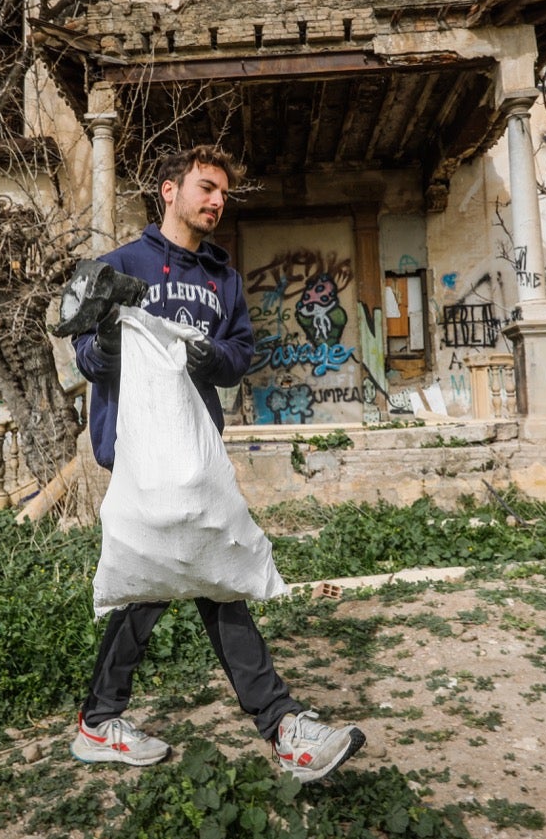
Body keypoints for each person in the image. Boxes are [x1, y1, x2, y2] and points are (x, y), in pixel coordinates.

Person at [67, 145, 365, 783]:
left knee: (165, 578)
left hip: (196, 452)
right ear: (168, 190)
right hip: (140, 452)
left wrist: (211, 360)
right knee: (210, 577)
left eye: (223, 193)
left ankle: (100, 720)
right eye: (206, 188)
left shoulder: (223, 279)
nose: (216, 202)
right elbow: (86, 357)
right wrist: (118, 339)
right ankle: (283, 727)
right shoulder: (120, 265)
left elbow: (242, 353)